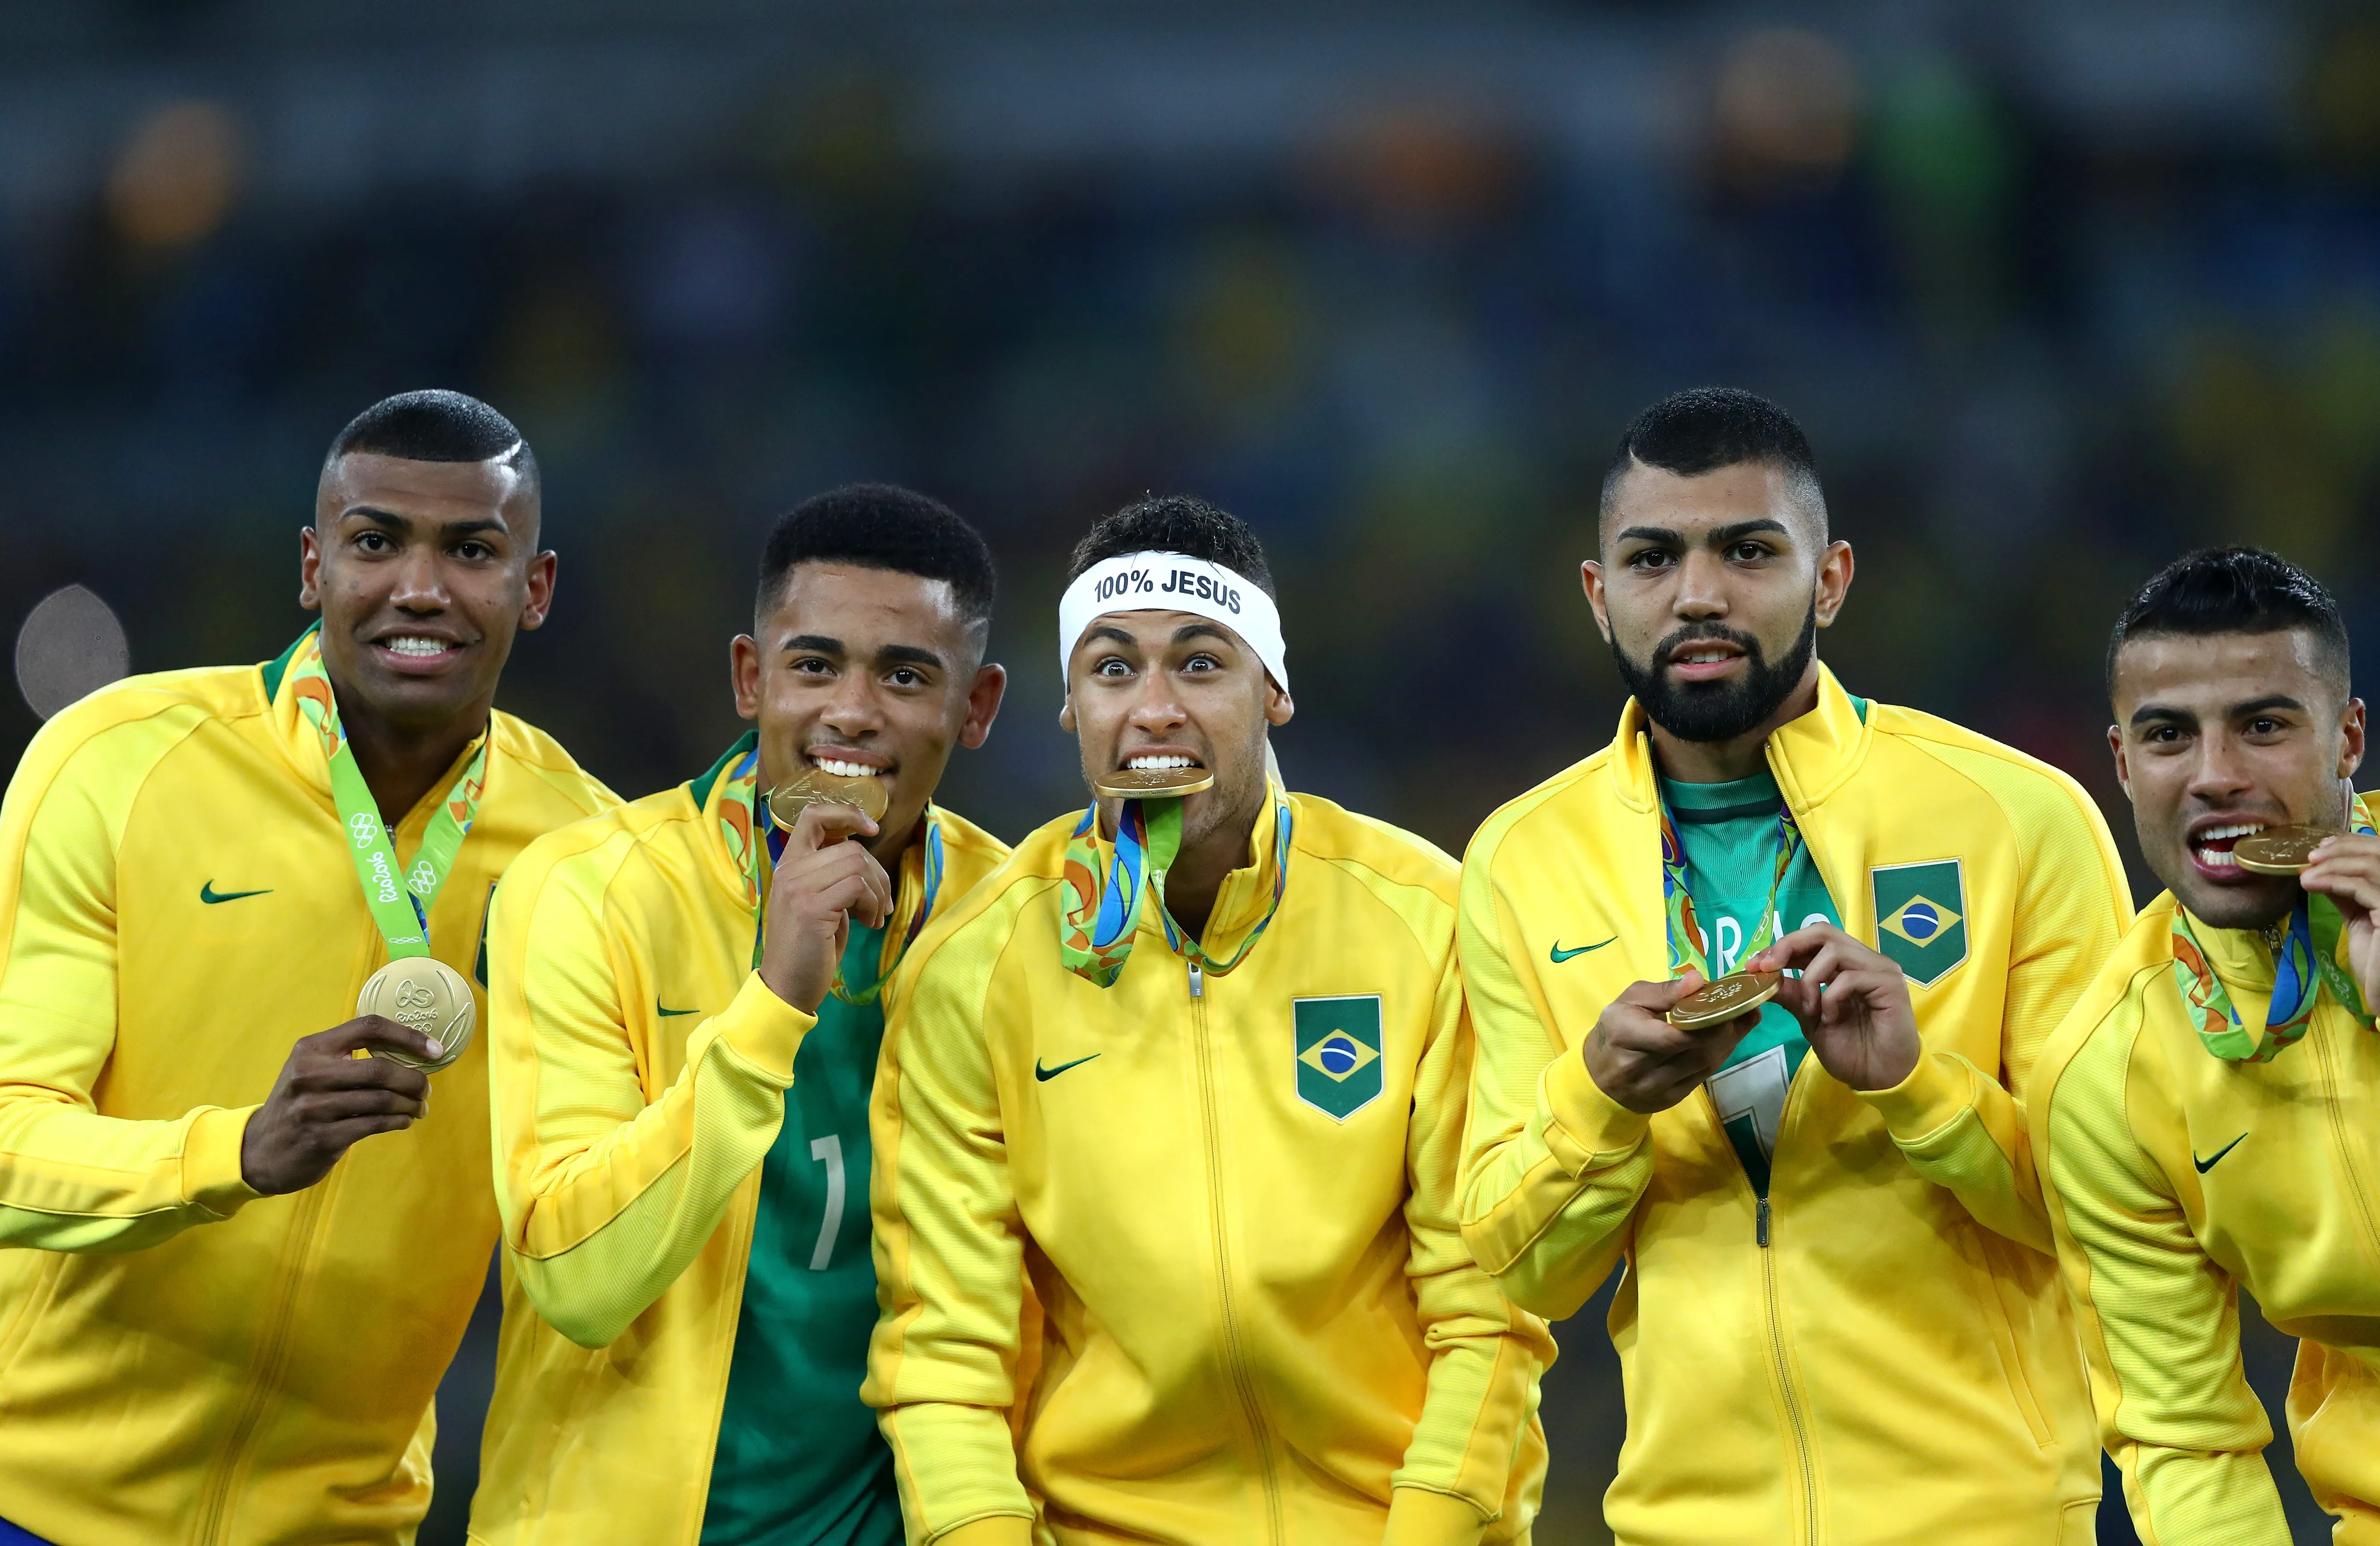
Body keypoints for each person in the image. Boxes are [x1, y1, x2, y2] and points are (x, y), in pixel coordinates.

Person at [1456, 387, 2135, 1545]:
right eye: (1654, 557)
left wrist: (1919, 1087)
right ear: (1598, 593)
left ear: (1831, 578)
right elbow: (1518, 1263)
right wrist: (1600, 1099)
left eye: (1749, 550)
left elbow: (2127, 1213)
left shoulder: (2017, 818)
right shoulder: (1524, 859)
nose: (1699, 593)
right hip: (1684, 1524)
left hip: (1985, 1519)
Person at [865, 496, 1549, 1546]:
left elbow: (1488, 1308)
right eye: (1110, 669)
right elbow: (945, 1359)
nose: (1153, 709)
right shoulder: (976, 966)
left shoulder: (1429, 922)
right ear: (1068, 707)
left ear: (1273, 689)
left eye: (1199, 663)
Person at [0, 390, 612, 1546]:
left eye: (472, 550)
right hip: (33, 1507)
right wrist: (231, 1152)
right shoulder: (116, 763)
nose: (420, 589)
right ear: (311, 565)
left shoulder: (590, 862)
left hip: (341, 1529)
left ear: (533, 590)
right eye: (376, 542)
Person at [471, 485, 1012, 1546]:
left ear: (978, 707)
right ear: (749, 678)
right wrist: (773, 1005)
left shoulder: (1015, 928)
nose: (852, 712)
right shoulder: (588, 892)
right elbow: (578, 1279)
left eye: (906, 676)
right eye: (815, 666)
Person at [2027, 546, 2380, 1544]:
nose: (2217, 777)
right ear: (2125, 764)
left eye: (2263, 726)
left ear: (2348, 738)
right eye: (2170, 736)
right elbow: (2185, 1441)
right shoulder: (2104, 1069)